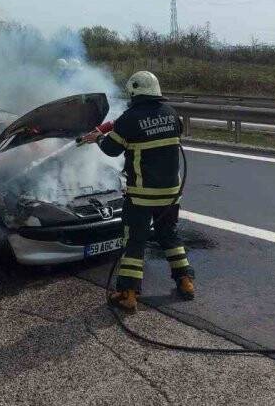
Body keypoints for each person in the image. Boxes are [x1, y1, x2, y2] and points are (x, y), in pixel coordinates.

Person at [78, 70, 195, 312]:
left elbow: (111, 149)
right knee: (169, 236)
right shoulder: (172, 115)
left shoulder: (129, 119)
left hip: (142, 195)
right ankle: (185, 282)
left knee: (134, 242)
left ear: (133, 92)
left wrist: (97, 139)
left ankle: (128, 294)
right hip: (171, 192)